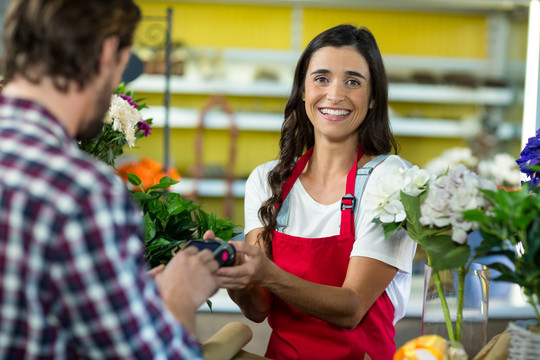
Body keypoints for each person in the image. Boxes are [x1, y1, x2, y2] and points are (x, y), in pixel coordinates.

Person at [0, 0, 219, 358]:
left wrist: (124, 296)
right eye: (121, 66)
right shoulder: (81, 193)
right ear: (106, 53)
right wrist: (180, 294)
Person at [218, 24, 417, 360]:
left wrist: (268, 273)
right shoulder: (267, 180)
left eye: (352, 81)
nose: (335, 95)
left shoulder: (393, 181)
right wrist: (235, 275)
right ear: (302, 92)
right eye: (321, 78)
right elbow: (258, 308)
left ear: (372, 100)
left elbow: (351, 307)